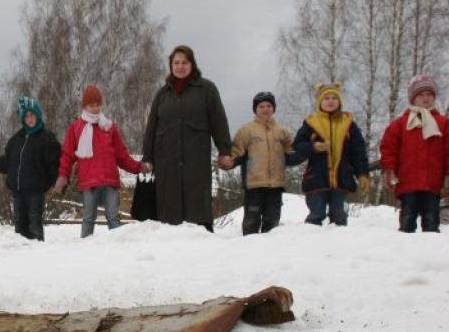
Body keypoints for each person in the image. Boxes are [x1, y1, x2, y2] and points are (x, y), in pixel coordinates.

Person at [142, 45, 233, 231]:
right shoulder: (162, 95)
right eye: (176, 62)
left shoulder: (206, 90)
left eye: (184, 62)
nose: (180, 66)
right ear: (171, 65)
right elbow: (151, 128)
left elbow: (219, 122)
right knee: (169, 215)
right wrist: (147, 158)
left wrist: (224, 151)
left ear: (192, 64)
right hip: (166, 163)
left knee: (197, 209)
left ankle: (202, 242)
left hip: (196, 161)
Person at [54, 86, 146, 237]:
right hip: (89, 183)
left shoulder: (109, 127)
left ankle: (117, 247)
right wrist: (63, 175)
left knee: (113, 217)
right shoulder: (76, 128)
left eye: (98, 104)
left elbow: (122, 156)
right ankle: (85, 248)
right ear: (85, 106)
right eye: (92, 105)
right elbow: (67, 156)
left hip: (109, 181)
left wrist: (138, 167)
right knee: (88, 218)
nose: (95, 108)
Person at [379, 74, 449, 233]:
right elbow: (389, 148)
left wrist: (447, 175)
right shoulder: (400, 124)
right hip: (407, 182)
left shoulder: (444, 123)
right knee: (407, 221)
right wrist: (389, 170)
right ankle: (405, 252)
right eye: (421, 95)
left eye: (429, 94)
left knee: (431, 220)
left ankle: (429, 254)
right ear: (413, 98)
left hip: (433, 183)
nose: (426, 98)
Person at [293, 83, 369, 226]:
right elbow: (297, 145)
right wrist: (314, 146)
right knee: (317, 213)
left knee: (338, 214)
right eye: (326, 98)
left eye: (334, 98)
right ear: (319, 102)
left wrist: (362, 175)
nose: (330, 101)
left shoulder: (349, 124)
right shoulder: (311, 123)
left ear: (339, 102)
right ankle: (308, 242)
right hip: (316, 178)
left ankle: (339, 244)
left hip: (342, 177)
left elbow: (358, 152)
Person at [230, 92, 303, 235]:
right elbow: (236, 153)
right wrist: (228, 162)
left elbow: (291, 156)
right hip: (254, 185)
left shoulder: (282, 132)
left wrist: (307, 151)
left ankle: (270, 253)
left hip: (276, 185)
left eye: (269, 106)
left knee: (272, 223)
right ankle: (248, 249)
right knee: (251, 221)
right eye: (261, 106)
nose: (265, 109)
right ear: (255, 109)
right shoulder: (246, 130)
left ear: (273, 108)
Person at [0, 97, 61, 241]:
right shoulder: (17, 139)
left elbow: (53, 164)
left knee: (34, 222)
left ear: (37, 115)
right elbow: (9, 162)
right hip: (18, 191)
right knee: (19, 224)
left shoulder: (47, 138)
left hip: (36, 191)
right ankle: (21, 254)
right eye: (26, 116)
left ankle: (37, 251)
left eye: (32, 115)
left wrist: (57, 182)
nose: (29, 118)